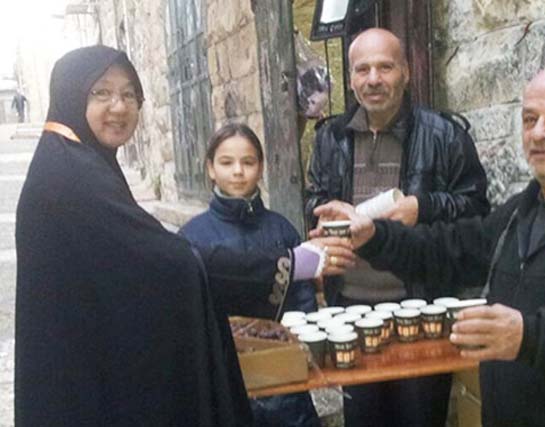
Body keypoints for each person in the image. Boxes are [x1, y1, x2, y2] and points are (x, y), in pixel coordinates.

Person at [314, 63, 545, 427]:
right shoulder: (522, 211)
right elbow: (449, 249)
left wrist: (528, 336)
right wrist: (374, 236)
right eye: (530, 119)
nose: (540, 133)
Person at [14, 46, 354, 426]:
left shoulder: (74, 162)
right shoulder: (72, 177)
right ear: (71, 95)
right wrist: (295, 262)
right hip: (80, 381)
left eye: (129, 94)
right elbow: (169, 262)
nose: (119, 106)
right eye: (102, 92)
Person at [304, 27, 490, 427]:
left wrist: (422, 206)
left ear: (405, 71)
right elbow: (314, 199)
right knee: (364, 419)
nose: (374, 79)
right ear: (350, 78)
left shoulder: (444, 134)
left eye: (385, 67)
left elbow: (477, 210)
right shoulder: (330, 138)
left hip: (421, 310)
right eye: (363, 69)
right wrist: (321, 215)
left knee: (420, 418)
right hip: (349, 313)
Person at [179, 123, 321, 427]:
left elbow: (303, 299)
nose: (238, 172)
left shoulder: (281, 229)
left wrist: (302, 349)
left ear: (261, 167)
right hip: (226, 376)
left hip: (285, 379)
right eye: (226, 162)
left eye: (248, 162)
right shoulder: (192, 237)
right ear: (210, 168)